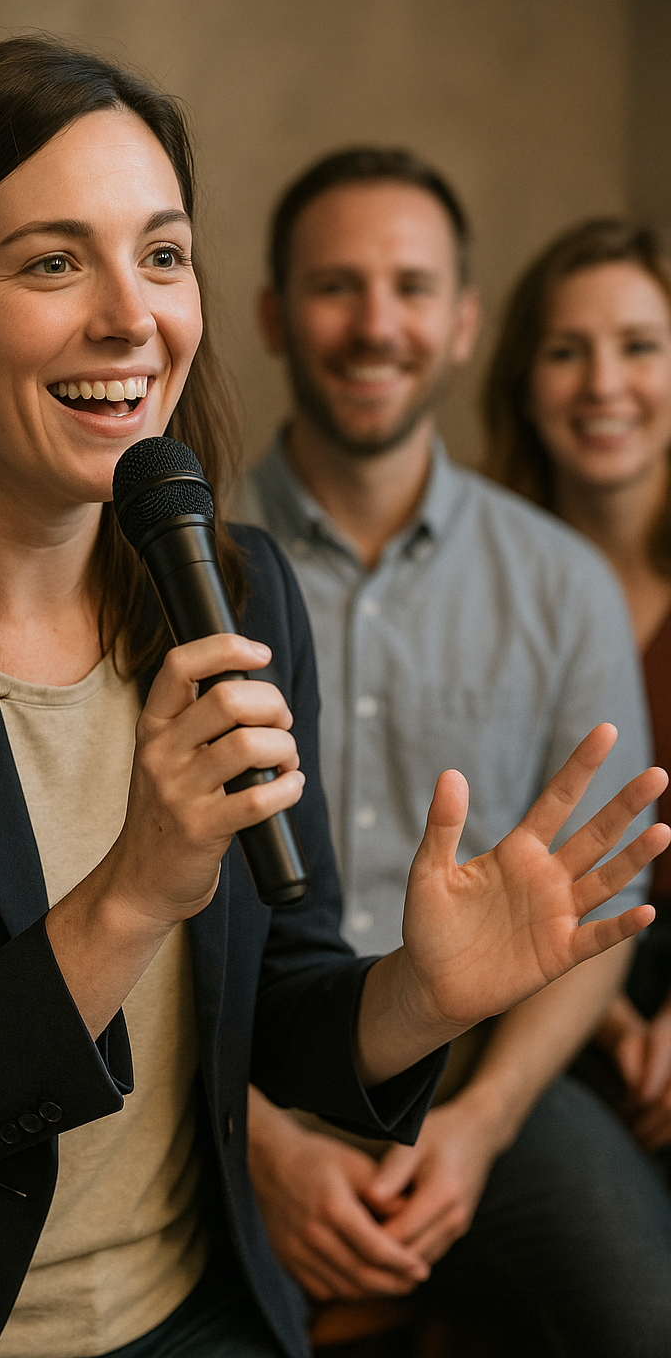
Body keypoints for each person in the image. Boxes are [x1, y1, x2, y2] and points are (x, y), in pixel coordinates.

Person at [0, 46, 662, 1358]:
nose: (134, 318)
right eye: (53, 261)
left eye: (163, 254)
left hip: (192, 1316)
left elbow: (274, 1001)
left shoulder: (235, 588)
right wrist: (134, 889)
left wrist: (426, 992)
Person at [236, 150, 671, 1354]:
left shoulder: (558, 580)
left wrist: (477, 1126)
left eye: (412, 288)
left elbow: (609, 891)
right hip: (235, 1074)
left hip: (493, 1074)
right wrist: (255, 1140)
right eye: (335, 287)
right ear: (272, 313)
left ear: (464, 322)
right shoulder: (177, 564)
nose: (376, 324)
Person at [484, 216, 671, 1163]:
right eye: (567, 351)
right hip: (526, 985)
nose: (604, 384)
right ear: (522, 379)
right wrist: (604, 1021)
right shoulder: (473, 580)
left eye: (639, 347)